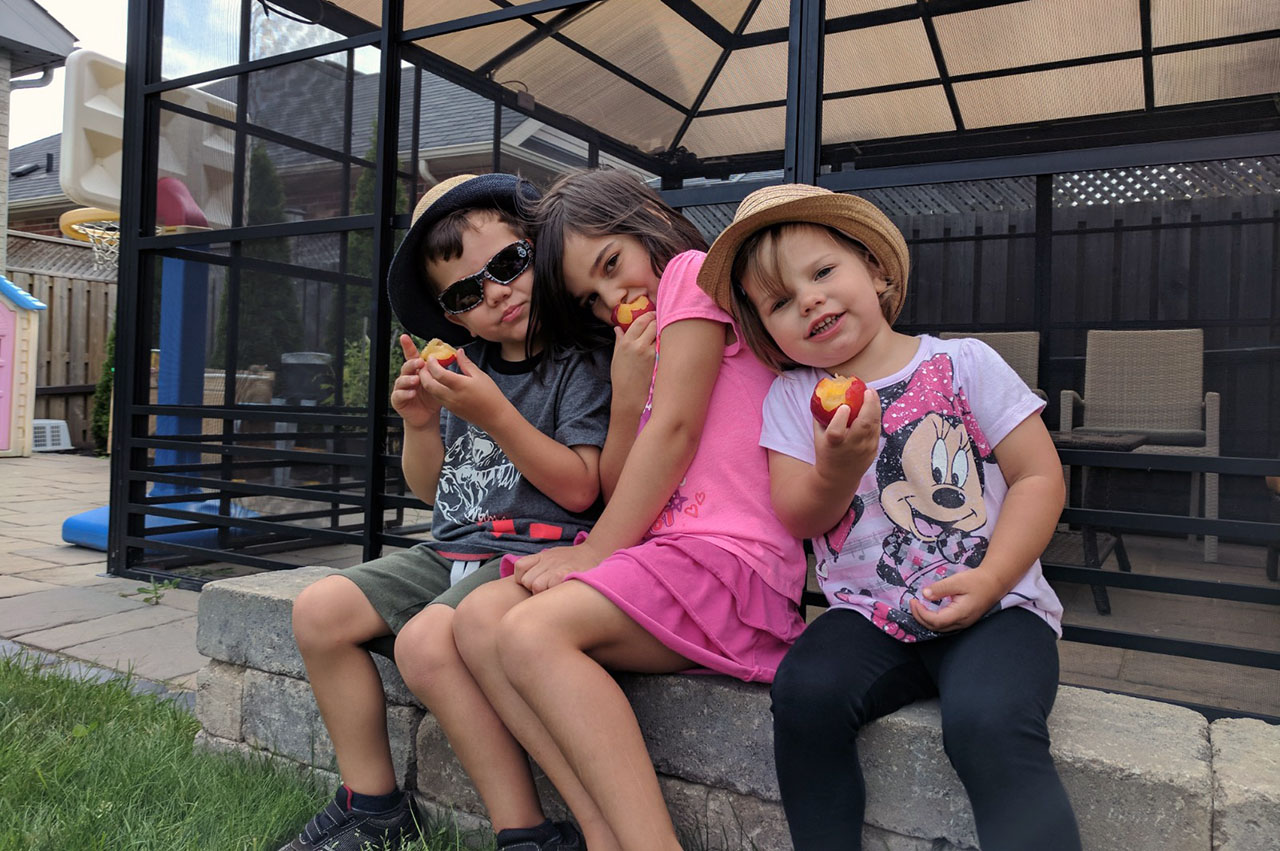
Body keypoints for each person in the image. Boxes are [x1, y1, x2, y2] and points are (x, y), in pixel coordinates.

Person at [697, 182, 1082, 851]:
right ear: (767, 331)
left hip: (998, 608)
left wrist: (993, 578)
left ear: (876, 271)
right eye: (780, 302)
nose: (808, 299)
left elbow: (1038, 476)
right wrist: (837, 469)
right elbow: (797, 515)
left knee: (988, 722)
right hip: (868, 615)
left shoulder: (964, 363)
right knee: (804, 695)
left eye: (823, 272)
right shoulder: (793, 398)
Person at [451, 168, 810, 851]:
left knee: (530, 633)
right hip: (669, 564)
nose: (614, 297)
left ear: (651, 218)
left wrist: (595, 551)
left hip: (734, 567)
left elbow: (675, 432)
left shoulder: (691, 276)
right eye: (591, 297)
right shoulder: (641, 347)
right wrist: (625, 388)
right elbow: (619, 487)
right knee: (475, 621)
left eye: (612, 264)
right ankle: (602, 835)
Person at [282, 173, 610, 851]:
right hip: (453, 549)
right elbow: (436, 493)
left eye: (508, 264)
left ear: (540, 250)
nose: (496, 293)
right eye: (466, 293)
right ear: (453, 316)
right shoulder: (464, 366)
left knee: (426, 644)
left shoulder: (580, 364)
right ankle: (372, 803)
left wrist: (494, 412)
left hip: (535, 552)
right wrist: (421, 424)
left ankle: (526, 832)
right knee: (318, 610)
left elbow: (582, 489)